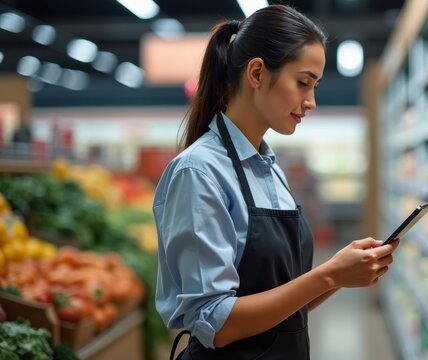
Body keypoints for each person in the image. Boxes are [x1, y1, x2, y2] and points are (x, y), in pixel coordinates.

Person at [153, 5, 397, 360]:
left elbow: (283, 304)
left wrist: (343, 273)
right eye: (302, 83)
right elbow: (216, 325)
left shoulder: (269, 168)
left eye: (314, 86)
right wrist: (328, 275)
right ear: (256, 73)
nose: (311, 101)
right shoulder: (199, 172)